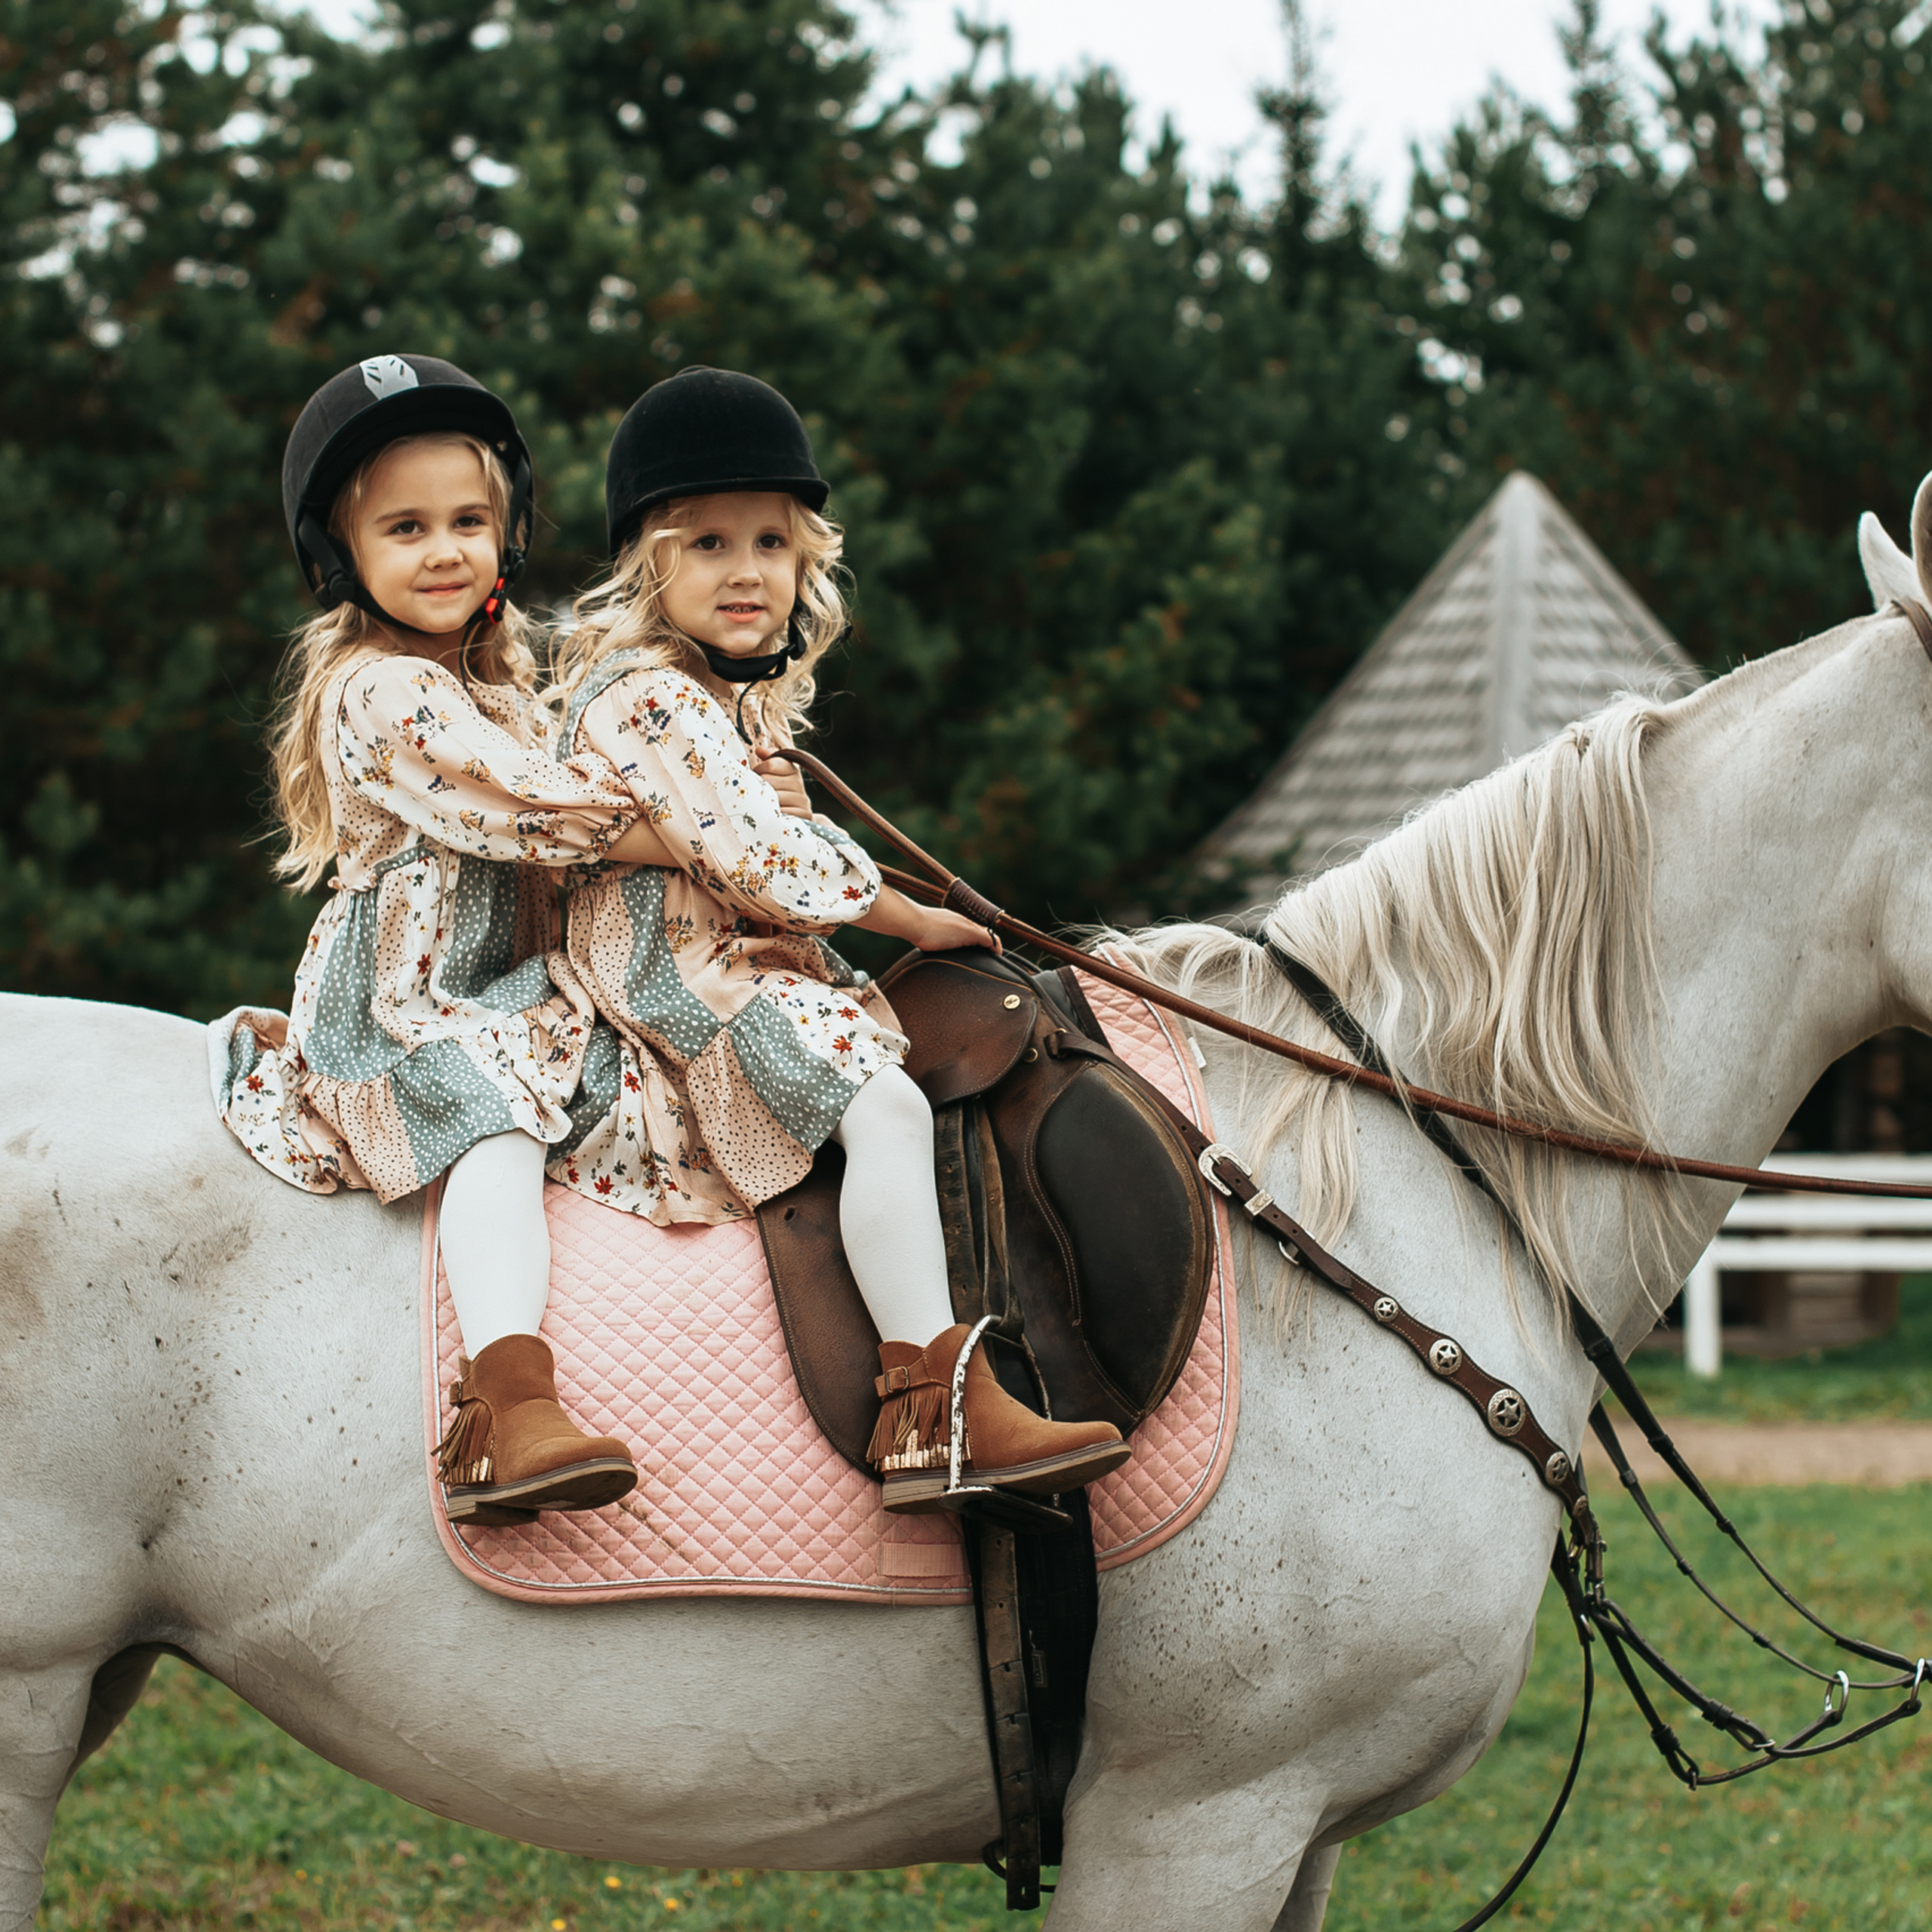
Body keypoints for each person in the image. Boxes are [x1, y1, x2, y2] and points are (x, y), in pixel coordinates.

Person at [545, 366, 1131, 1512]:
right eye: (709, 543)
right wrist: (916, 916)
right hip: (682, 981)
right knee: (888, 1107)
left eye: (771, 541)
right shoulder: (649, 696)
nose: (748, 570)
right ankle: (929, 1398)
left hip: (741, 961)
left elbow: (762, 841)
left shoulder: (728, 702)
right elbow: (762, 862)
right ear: (648, 564)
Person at [209, 354, 669, 1525]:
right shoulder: (381, 692)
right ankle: (505, 1403)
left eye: (468, 521)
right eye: (405, 528)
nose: (445, 550)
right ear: (340, 557)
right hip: (403, 1004)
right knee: (493, 1117)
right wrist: (702, 830)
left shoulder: (501, 688)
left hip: (515, 987)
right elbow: (537, 812)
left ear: (507, 533)